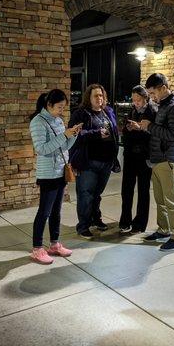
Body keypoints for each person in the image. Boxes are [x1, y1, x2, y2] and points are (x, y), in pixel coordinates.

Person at [29, 90, 82, 264]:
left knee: (56, 211)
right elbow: (41, 149)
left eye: (63, 108)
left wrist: (73, 135)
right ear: (49, 105)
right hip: (47, 174)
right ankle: (37, 248)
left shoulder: (58, 121)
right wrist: (64, 135)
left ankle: (54, 244)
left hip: (61, 171)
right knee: (44, 211)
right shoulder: (38, 122)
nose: (62, 111)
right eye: (59, 107)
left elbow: (64, 146)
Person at [137, 73, 174, 251]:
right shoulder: (164, 105)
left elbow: (173, 135)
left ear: (163, 88)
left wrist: (149, 126)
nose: (152, 97)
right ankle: (164, 229)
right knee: (160, 199)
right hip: (158, 159)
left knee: (171, 200)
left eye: (153, 93)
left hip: (169, 159)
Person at [69, 84, 119, 239]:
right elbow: (74, 134)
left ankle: (96, 219)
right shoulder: (81, 113)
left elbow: (114, 132)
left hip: (106, 161)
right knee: (85, 195)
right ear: (88, 98)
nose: (99, 98)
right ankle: (83, 226)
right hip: (88, 162)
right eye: (96, 96)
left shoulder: (108, 111)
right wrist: (96, 134)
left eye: (101, 95)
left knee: (97, 194)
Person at [119, 85, 156, 234]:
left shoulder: (152, 112)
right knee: (126, 189)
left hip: (144, 157)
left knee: (143, 191)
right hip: (130, 156)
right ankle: (125, 220)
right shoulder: (132, 110)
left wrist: (140, 128)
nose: (136, 103)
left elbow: (154, 135)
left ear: (145, 98)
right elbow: (125, 132)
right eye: (134, 100)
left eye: (138, 100)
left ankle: (140, 223)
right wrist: (128, 129)